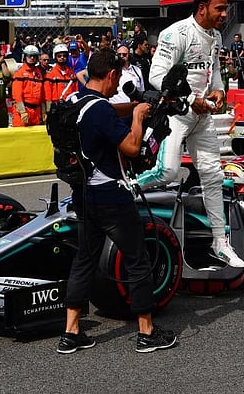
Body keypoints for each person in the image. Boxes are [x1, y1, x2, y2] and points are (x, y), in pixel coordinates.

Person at [58, 49, 178, 355]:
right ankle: (146, 332)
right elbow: (133, 148)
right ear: (111, 74)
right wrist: (138, 117)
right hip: (112, 195)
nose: (117, 85)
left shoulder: (74, 101)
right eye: (117, 79)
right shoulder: (101, 111)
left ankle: (71, 332)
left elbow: (106, 114)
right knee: (138, 260)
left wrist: (134, 106)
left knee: (84, 259)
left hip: (84, 193)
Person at [136, 0, 244, 268]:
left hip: (203, 117)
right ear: (201, 7)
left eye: (226, 8)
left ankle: (220, 242)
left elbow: (215, 72)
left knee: (212, 176)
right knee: (168, 171)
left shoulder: (216, 36)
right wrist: (189, 99)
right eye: (219, 9)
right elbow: (156, 75)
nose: (225, 13)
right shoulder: (176, 33)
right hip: (176, 113)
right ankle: (126, 190)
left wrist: (220, 91)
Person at [11, 45, 45, 127]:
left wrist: (43, 112)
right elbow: (17, 95)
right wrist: (22, 111)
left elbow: (42, 96)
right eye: (29, 56)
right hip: (23, 111)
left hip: (36, 112)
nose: (32, 58)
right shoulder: (19, 74)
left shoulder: (39, 74)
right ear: (25, 57)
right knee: (20, 137)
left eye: (34, 56)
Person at [45, 43, 78, 109]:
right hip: (56, 107)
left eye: (64, 56)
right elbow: (47, 93)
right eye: (59, 56)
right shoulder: (50, 74)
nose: (62, 57)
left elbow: (75, 90)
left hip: (70, 106)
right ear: (55, 57)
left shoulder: (72, 73)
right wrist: (48, 109)